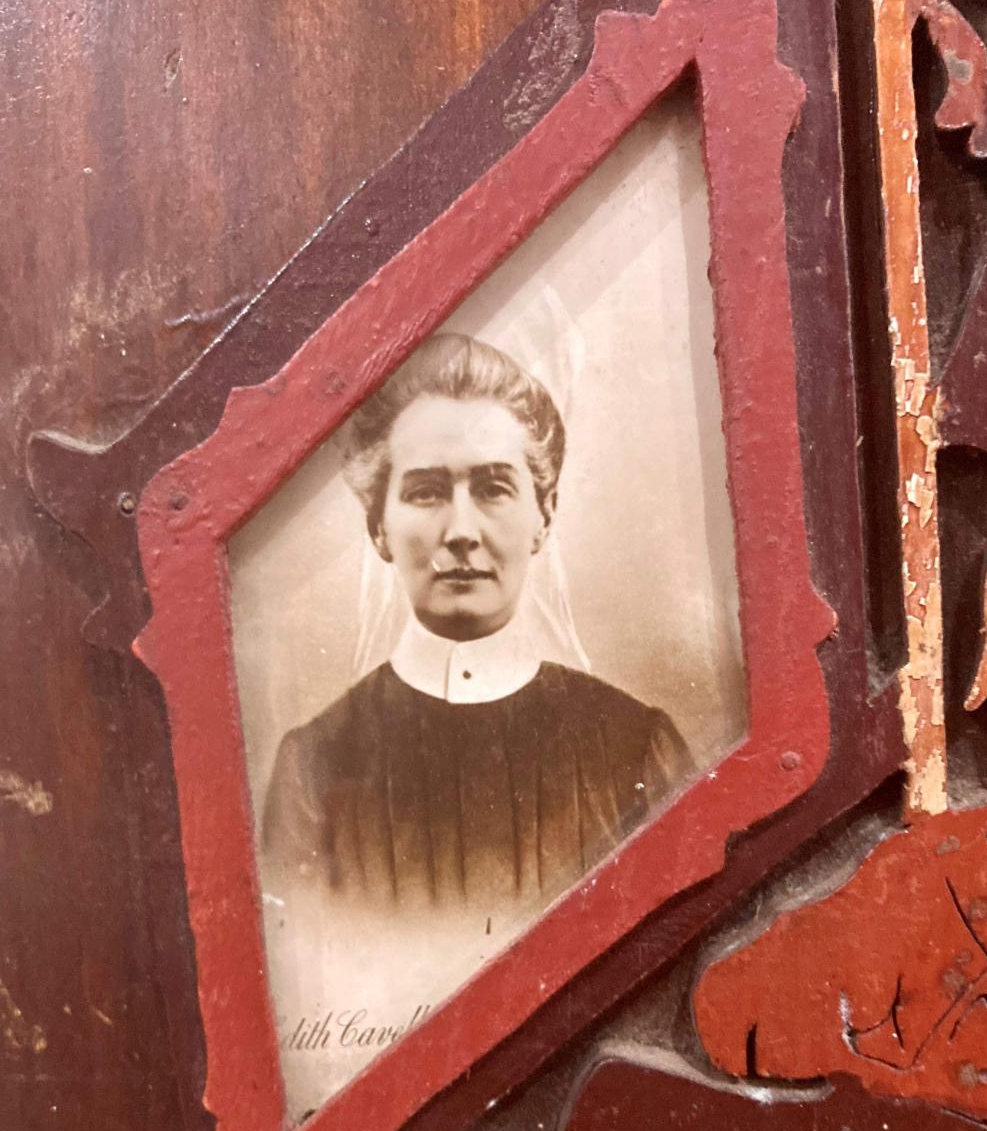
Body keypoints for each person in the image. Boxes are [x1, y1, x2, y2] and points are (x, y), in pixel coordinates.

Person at [262, 331, 694, 917]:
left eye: (493, 488)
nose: (461, 530)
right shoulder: (314, 767)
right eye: (426, 492)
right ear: (378, 526)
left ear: (543, 515)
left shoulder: (637, 749)